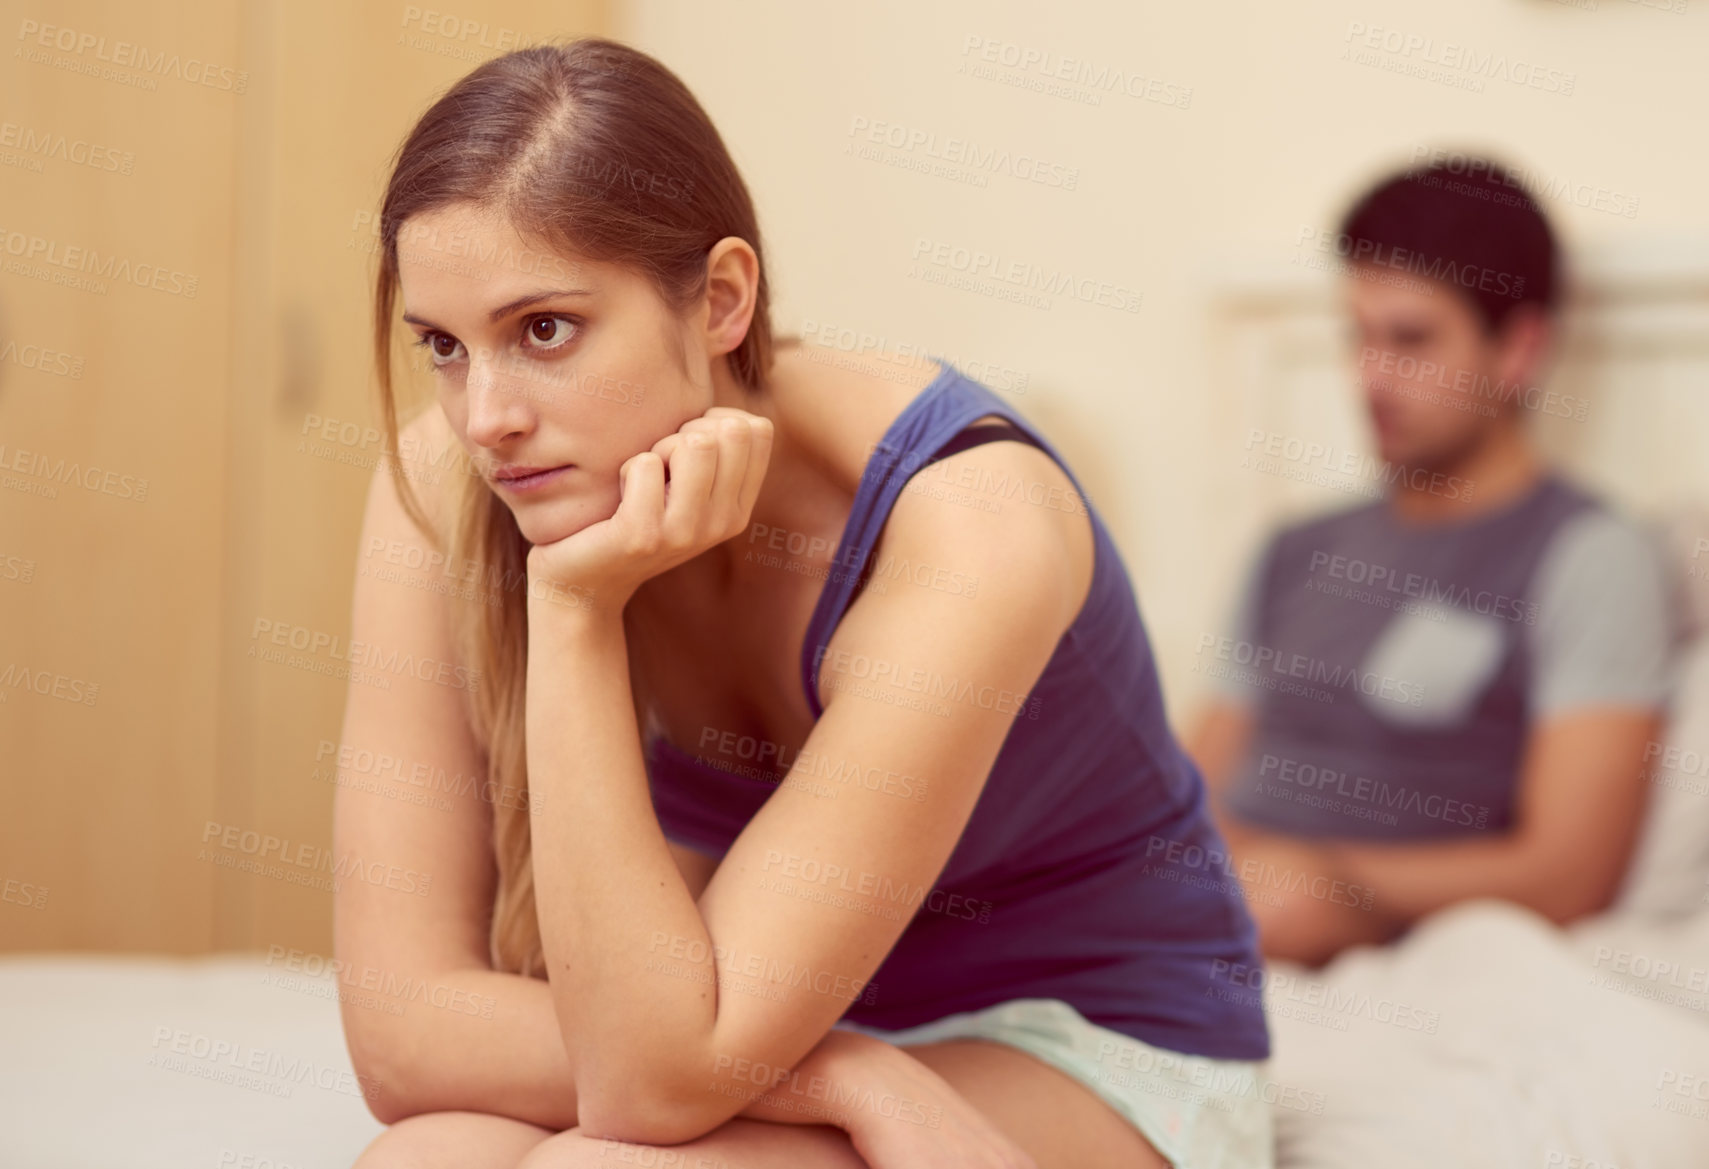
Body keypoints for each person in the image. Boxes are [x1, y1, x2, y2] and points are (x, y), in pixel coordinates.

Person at [336, 38, 1271, 1169]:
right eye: (442, 345)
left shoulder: (969, 524)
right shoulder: (443, 479)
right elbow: (399, 1035)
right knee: (423, 1156)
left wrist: (576, 612)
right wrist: (854, 1068)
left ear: (722, 299)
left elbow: (644, 1091)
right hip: (744, 1032)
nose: (485, 415)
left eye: (544, 330)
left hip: (1083, 1034)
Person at [1186, 157, 1675, 968]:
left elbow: (1568, 874)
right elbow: (1189, 794)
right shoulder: (1292, 549)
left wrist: (1329, 888)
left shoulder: (1589, 554)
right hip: (1204, 913)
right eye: (1359, 337)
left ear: (1517, 350)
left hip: (1340, 933)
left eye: (1410, 339)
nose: (1370, 376)